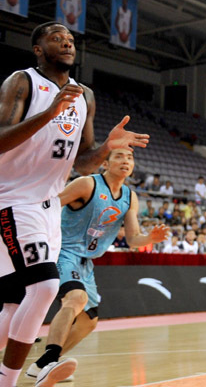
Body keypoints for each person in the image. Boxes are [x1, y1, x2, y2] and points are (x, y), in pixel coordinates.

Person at [0, 22, 148, 387]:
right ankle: (16, 378)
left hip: (47, 206)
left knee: (14, 303)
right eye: (56, 38)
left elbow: (82, 162)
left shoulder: (84, 96)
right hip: (13, 199)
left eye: (70, 39)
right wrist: (48, 114)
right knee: (46, 288)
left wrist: (107, 149)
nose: (66, 42)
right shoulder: (22, 82)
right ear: (38, 48)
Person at [26, 149, 168, 382]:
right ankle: (51, 360)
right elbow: (49, 205)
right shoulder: (87, 184)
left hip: (87, 262)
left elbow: (133, 239)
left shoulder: (129, 197)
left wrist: (150, 238)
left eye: (130, 158)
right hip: (63, 252)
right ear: (105, 163)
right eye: (120, 156)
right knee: (76, 299)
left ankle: (40, 365)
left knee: (88, 321)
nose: (125, 161)